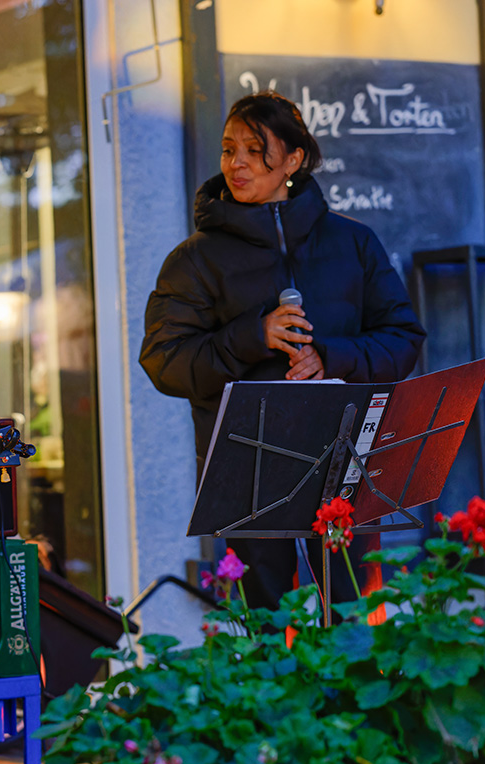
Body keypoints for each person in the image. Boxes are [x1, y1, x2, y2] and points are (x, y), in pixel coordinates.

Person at [139, 90, 426, 611]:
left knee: (355, 617)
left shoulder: (354, 243)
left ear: (293, 159)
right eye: (229, 150)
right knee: (265, 635)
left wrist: (331, 356)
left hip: (346, 461)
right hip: (247, 468)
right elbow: (164, 360)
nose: (238, 163)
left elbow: (404, 338)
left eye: (255, 149)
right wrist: (253, 335)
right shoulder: (194, 260)